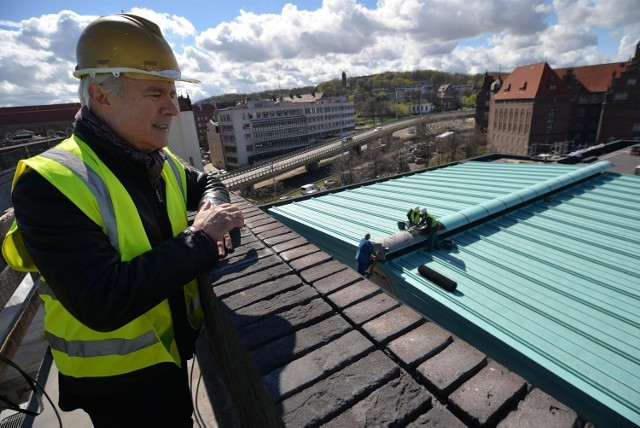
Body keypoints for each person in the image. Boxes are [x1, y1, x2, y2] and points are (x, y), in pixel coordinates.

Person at [1, 14, 244, 427]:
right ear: (102, 94)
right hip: (118, 385)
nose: (173, 107)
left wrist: (213, 205)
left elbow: (206, 182)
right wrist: (201, 239)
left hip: (166, 355)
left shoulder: (153, 158)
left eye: (172, 92)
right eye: (156, 93)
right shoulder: (49, 183)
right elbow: (102, 299)